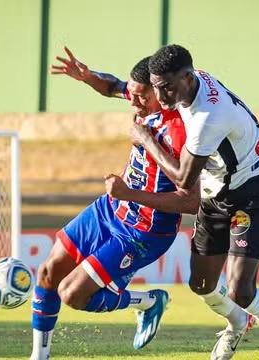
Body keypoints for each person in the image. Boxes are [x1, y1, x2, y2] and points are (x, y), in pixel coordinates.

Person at [129, 44, 259, 360]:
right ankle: (237, 324)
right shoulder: (189, 84)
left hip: (254, 190)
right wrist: (95, 80)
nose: (161, 97)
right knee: (201, 284)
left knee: (241, 290)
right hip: (216, 193)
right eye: (156, 87)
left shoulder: (208, 117)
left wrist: (145, 138)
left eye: (166, 88)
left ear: (188, 78)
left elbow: (183, 180)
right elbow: (133, 90)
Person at [29, 51, 200, 360]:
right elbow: (112, 87)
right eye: (131, 96)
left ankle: (147, 301)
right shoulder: (141, 97)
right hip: (110, 209)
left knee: (73, 295)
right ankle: (39, 357)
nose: (132, 103)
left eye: (139, 97)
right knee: (48, 273)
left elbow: (191, 201)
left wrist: (130, 189)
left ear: (160, 92)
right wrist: (88, 76)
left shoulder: (180, 129)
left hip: (145, 230)